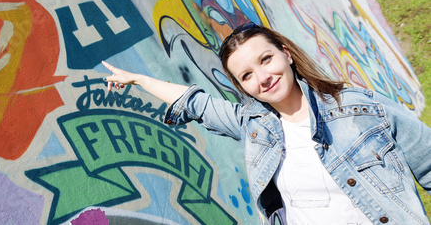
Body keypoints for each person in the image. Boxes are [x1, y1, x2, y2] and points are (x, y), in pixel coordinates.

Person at [103, 22, 431, 225]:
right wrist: (138, 79)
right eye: (246, 75)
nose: (262, 78)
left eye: (266, 59)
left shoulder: (359, 106)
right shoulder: (254, 126)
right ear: (241, 86)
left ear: (286, 54)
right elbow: (196, 103)